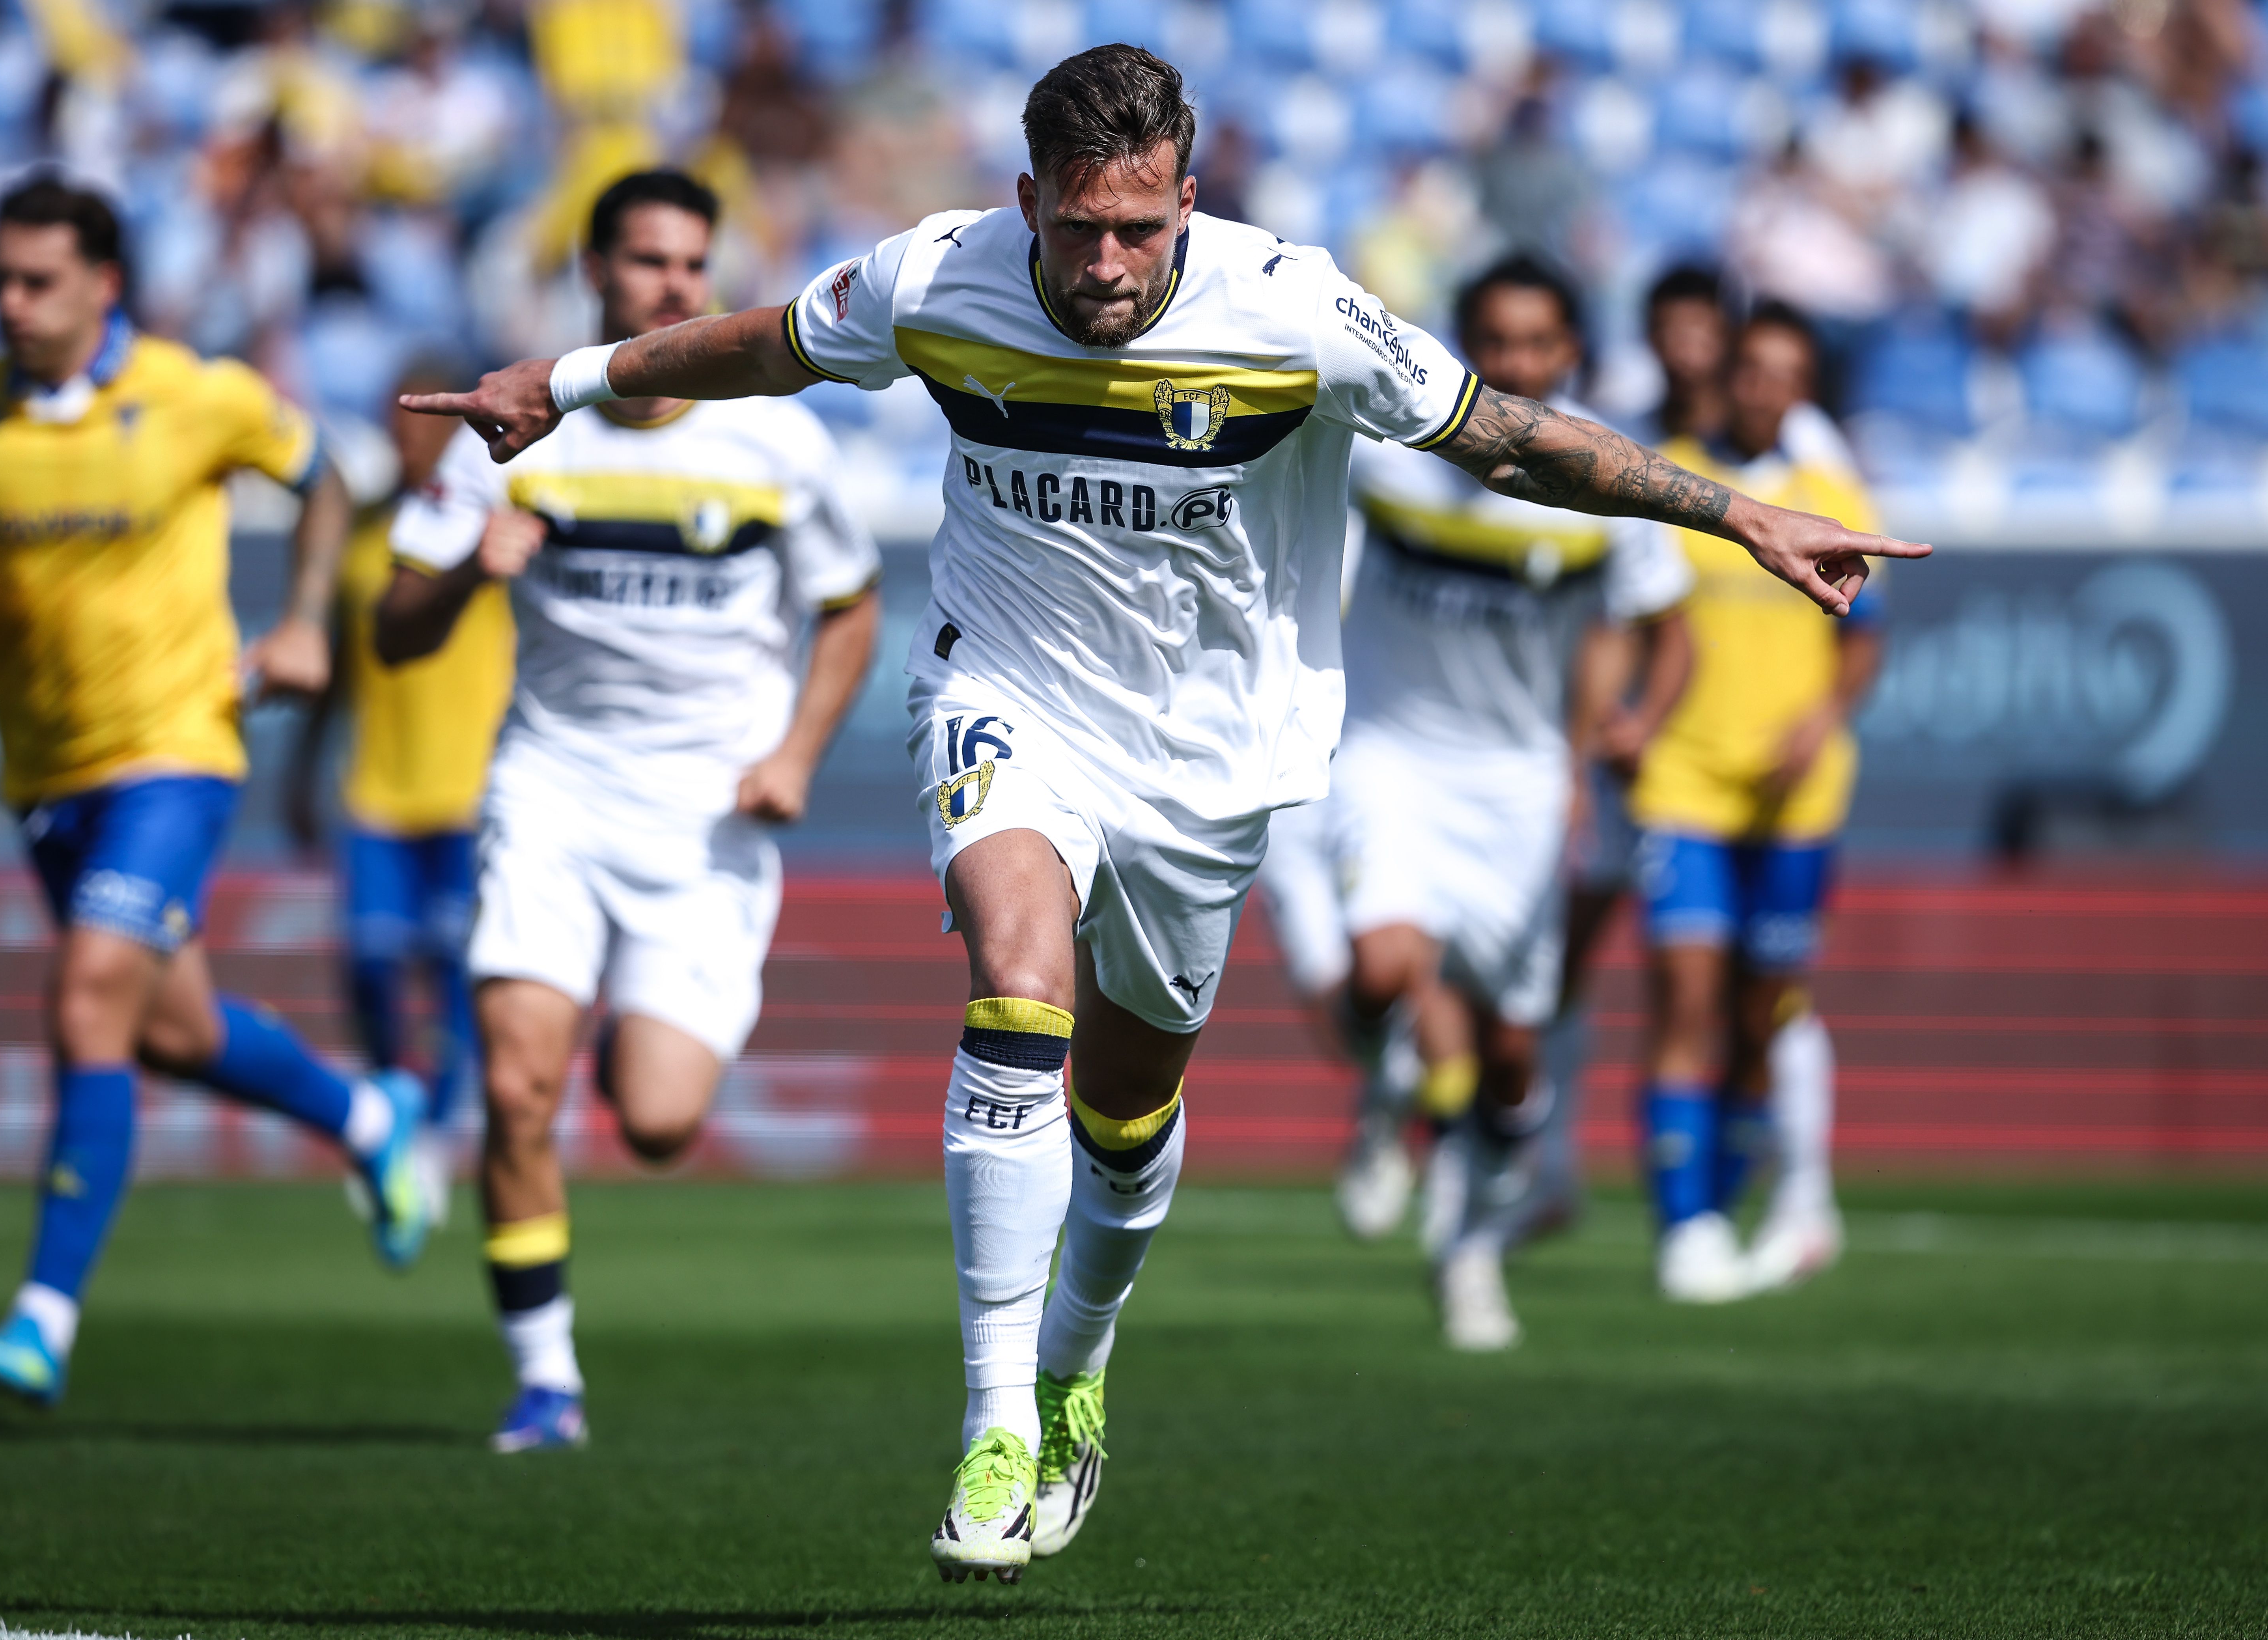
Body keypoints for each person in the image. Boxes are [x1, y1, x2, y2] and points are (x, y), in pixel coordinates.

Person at [403, 46, 1920, 1580]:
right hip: (1008, 698)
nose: (1109, 263)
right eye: (1078, 230)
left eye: (1140, 227)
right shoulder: (937, 277)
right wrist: (572, 379)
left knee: (1122, 1122)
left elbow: (1510, 437)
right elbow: (763, 346)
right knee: (1014, 985)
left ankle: (1074, 1366)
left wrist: (1734, 512)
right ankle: (994, 1420)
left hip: (1207, 764)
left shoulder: (1294, 310)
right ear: (1027, 204)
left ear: (1187, 199)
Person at [373, 169, 881, 1455]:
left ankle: (633, 1039)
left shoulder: (775, 438)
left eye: (691, 267)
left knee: (657, 1121)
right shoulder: (515, 423)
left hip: (708, 819)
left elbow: (850, 609)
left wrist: (796, 752)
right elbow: (392, 629)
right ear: (593, 278)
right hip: (551, 790)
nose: (675, 288)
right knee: (515, 1085)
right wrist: (460, 585)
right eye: (648, 264)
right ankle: (544, 1384)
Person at [0, 172, 433, 1409]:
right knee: (168, 1028)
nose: (12, 302)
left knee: (91, 991)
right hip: (45, 776)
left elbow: (331, 480)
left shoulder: (196, 395)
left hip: (177, 751)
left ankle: (42, 1319)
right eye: (0, 277)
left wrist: (306, 623)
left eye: (38, 281)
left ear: (106, 285)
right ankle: (366, 1119)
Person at [1321, 254, 1695, 1352]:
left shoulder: (1603, 481)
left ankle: (1470, 1250)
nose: (1515, 363)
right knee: (1386, 965)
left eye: (1537, 344)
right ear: (1462, 343)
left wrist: (1624, 729)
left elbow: (1657, 625)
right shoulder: (1389, 453)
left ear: (1569, 352)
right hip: (1390, 755)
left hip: (1523, 784)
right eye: (1495, 341)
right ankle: (1389, 1088)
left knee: (1513, 1059)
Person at [1633, 300, 1883, 1302]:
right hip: (1684, 780)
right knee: (1686, 1000)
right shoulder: (1673, 478)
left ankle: (1726, 1205)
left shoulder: (1830, 494)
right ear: (1725, 374)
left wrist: (1820, 721)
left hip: (1796, 794)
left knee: (1761, 1012)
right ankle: (1681, 1227)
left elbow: (1864, 637)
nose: (1764, 386)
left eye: (1786, 370)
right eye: (1751, 367)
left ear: (1804, 386)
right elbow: (1639, 618)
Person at [288, 359, 516, 1224]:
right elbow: (341, 668)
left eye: (423, 419)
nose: (406, 433)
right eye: (397, 418)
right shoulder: (358, 534)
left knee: (456, 974)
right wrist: (308, 769)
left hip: (468, 792)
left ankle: (435, 1139)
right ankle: (391, 1104)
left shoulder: (486, 518)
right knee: (372, 963)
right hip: (377, 790)